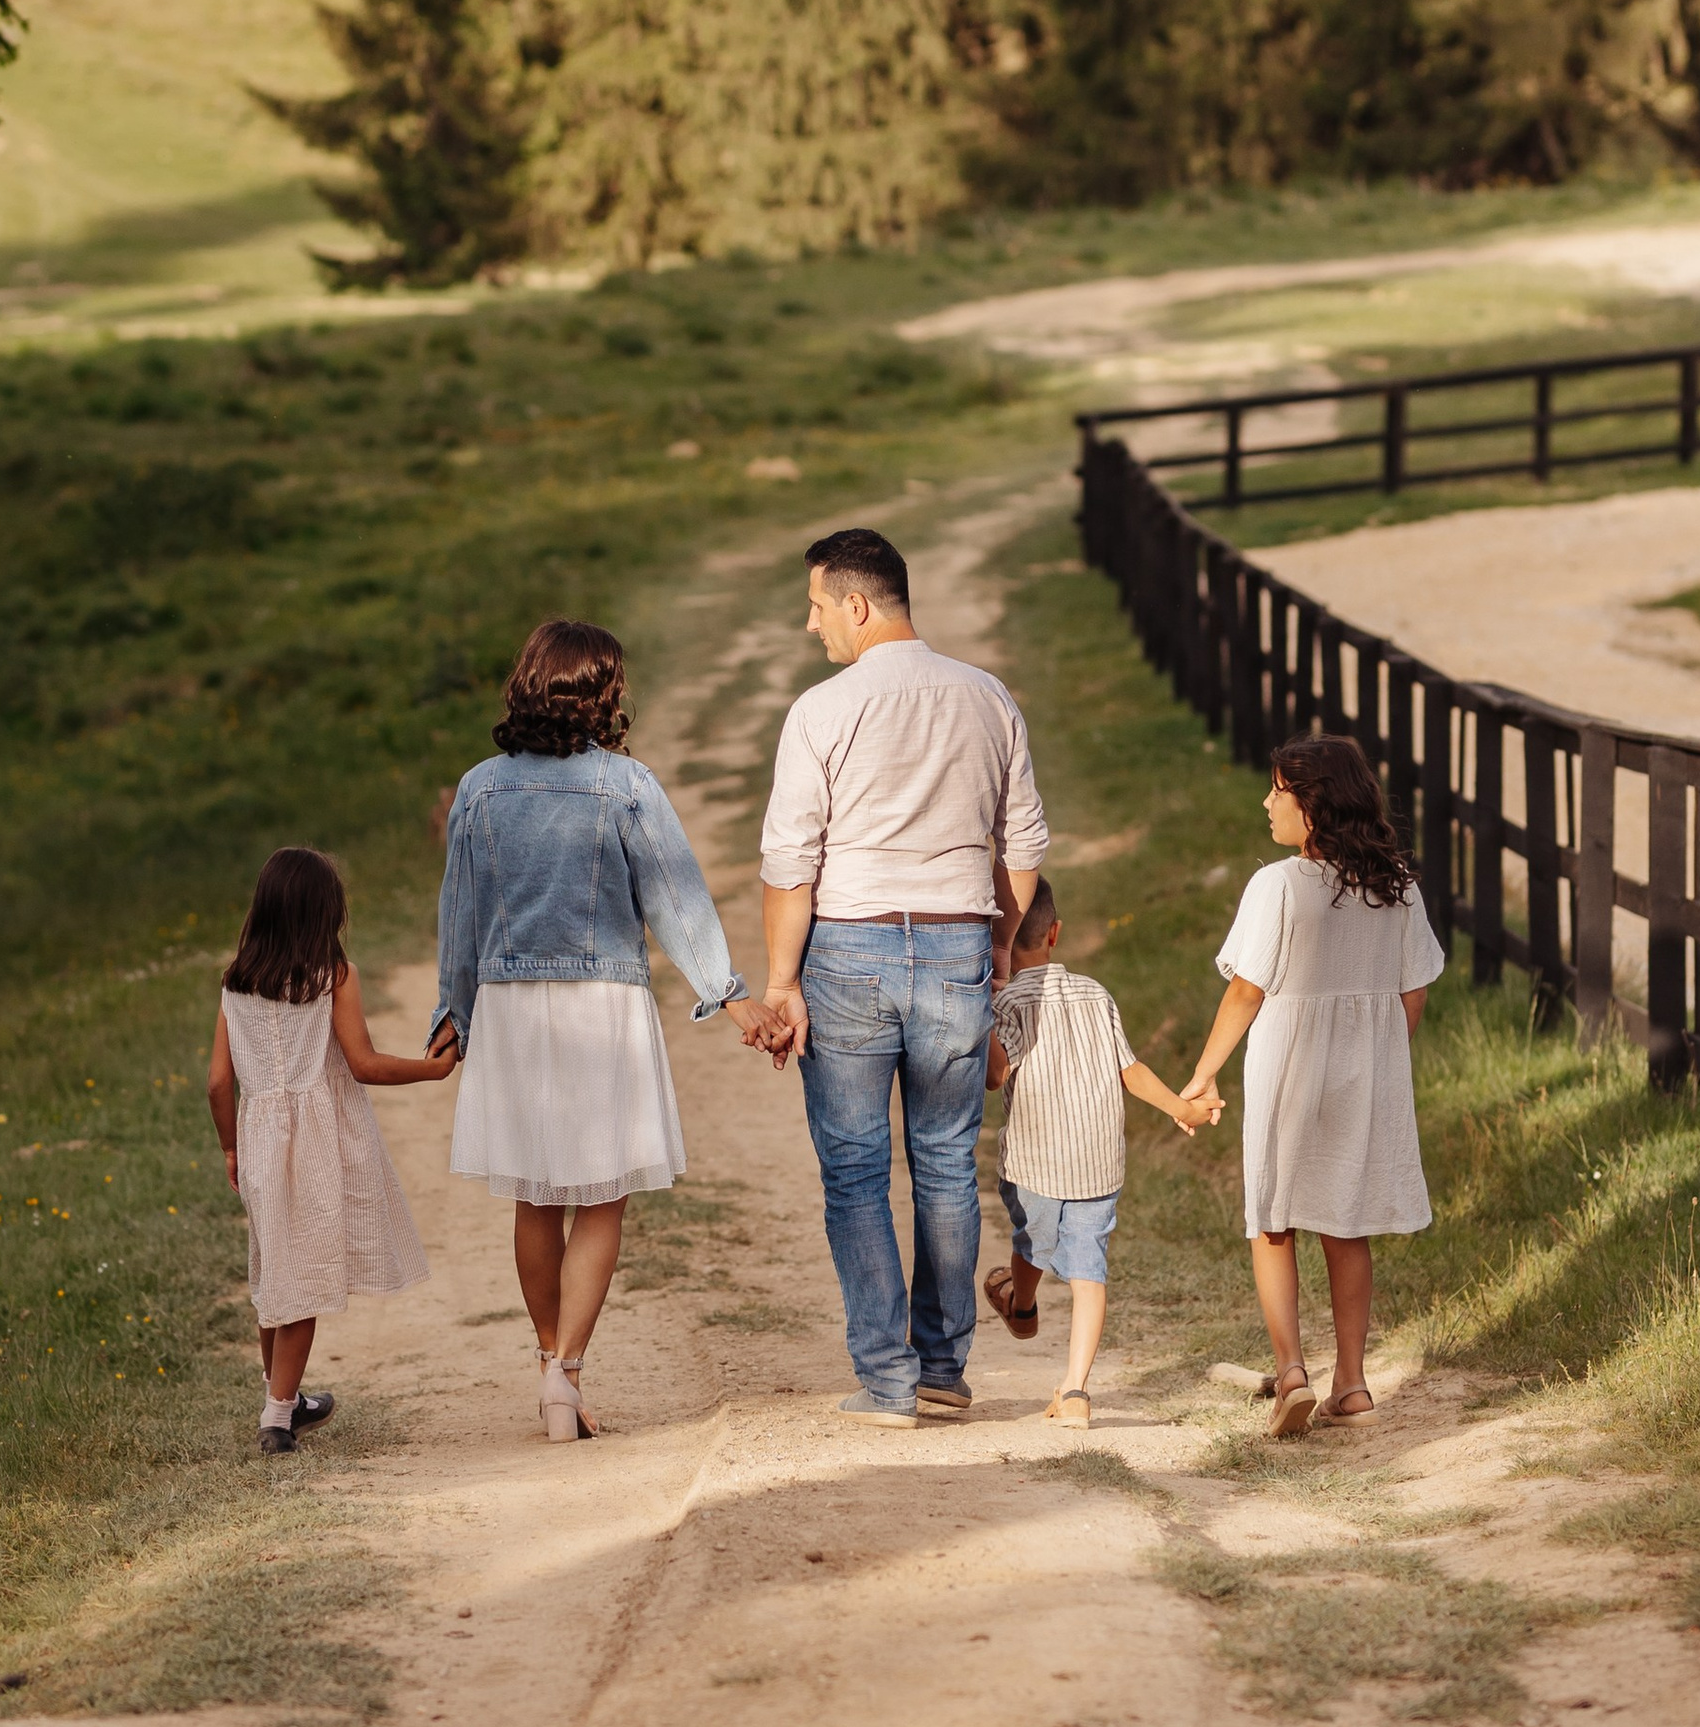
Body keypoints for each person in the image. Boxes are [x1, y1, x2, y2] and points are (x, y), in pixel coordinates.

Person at [433, 617, 772, 1443]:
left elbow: (460, 916)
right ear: (603, 694)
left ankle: (546, 1358)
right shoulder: (626, 786)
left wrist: (455, 1012)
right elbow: (675, 898)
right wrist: (728, 995)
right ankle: (567, 1372)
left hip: (512, 1006)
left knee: (534, 1194)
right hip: (603, 1003)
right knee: (601, 1196)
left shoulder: (478, 789)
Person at [756, 526, 1049, 1426]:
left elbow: (790, 863)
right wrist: (1000, 948)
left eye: (817, 607)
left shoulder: (821, 711)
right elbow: (1024, 845)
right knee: (947, 1162)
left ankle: (886, 1379)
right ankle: (942, 1370)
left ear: (857, 604)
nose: (812, 626)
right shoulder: (988, 696)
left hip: (849, 950)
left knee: (854, 1171)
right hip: (959, 946)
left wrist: (781, 982)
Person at [1180, 732, 1445, 1436]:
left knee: (1273, 1218)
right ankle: (1351, 1385)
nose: (1266, 803)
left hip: (1288, 1067)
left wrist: (1203, 1074)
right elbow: (1414, 990)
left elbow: (1246, 991)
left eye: (1278, 791)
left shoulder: (1278, 886)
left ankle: (1292, 1373)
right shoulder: (1397, 886)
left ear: (1314, 804)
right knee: (1345, 1222)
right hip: (1366, 1072)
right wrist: (1379, 1056)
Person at [205, 844, 452, 1456]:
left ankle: (282, 1397)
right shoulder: (332, 977)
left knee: (275, 1272)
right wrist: (431, 1069)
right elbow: (364, 1064)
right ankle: (278, 1419)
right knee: (306, 1281)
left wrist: (231, 1149)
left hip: (260, 1145)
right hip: (315, 1147)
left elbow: (217, 1083)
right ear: (326, 912)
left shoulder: (236, 982)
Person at [982, 878, 1201, 1425]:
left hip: (1034, 1161)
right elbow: (1131, 1071)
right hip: (1098, 1161)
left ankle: (1022, 1306)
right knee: (1089, 1271)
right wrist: (1180, 1107)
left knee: (1031, 1238)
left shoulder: (1005, 1003)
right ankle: (1077, 1392)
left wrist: (976, 1013)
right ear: (1055, 933)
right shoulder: (1096, 994)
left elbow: (995, 1076)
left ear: (994, 942)